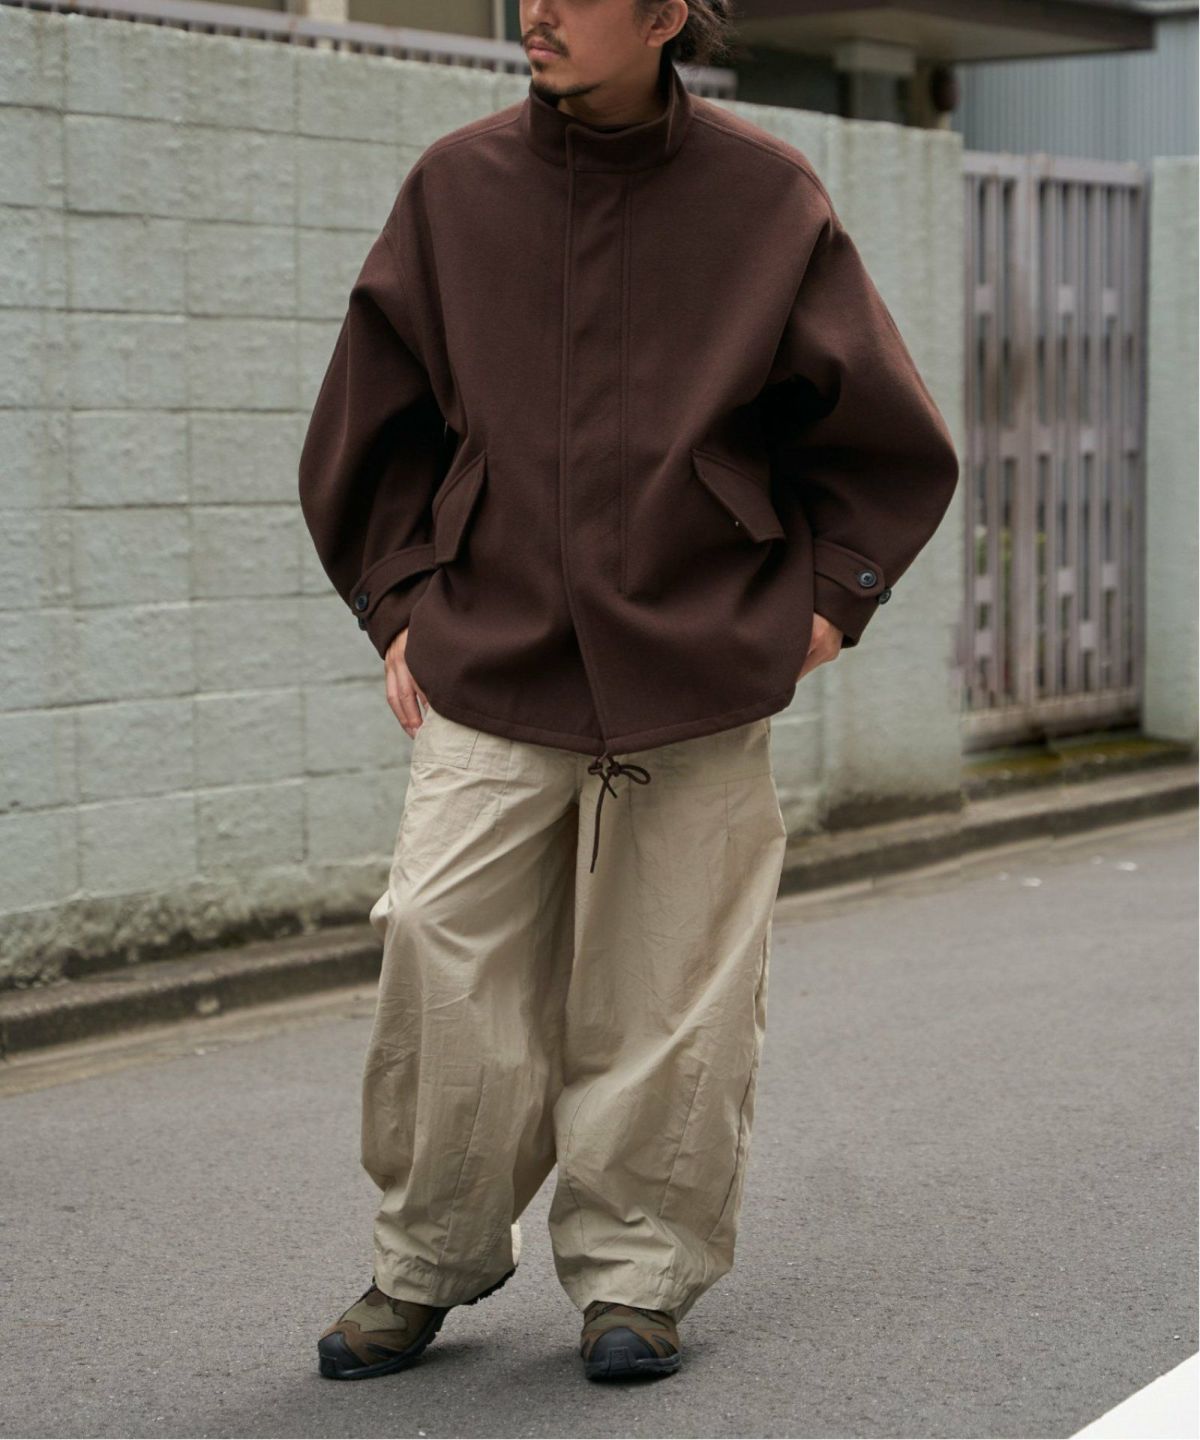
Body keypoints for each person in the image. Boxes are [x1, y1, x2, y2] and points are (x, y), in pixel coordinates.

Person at [298, 0, 959, 1385]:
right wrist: (399, 598)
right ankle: (426, 1259)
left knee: (672, 991)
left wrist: (827, 602)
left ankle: (637, 1276)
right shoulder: (455, 190)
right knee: (440, 950)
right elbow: (372, 420)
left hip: (692, 665)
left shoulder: (766, 200)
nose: (536, 8)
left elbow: (884, 435)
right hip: (494, 654)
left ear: (665, 16)